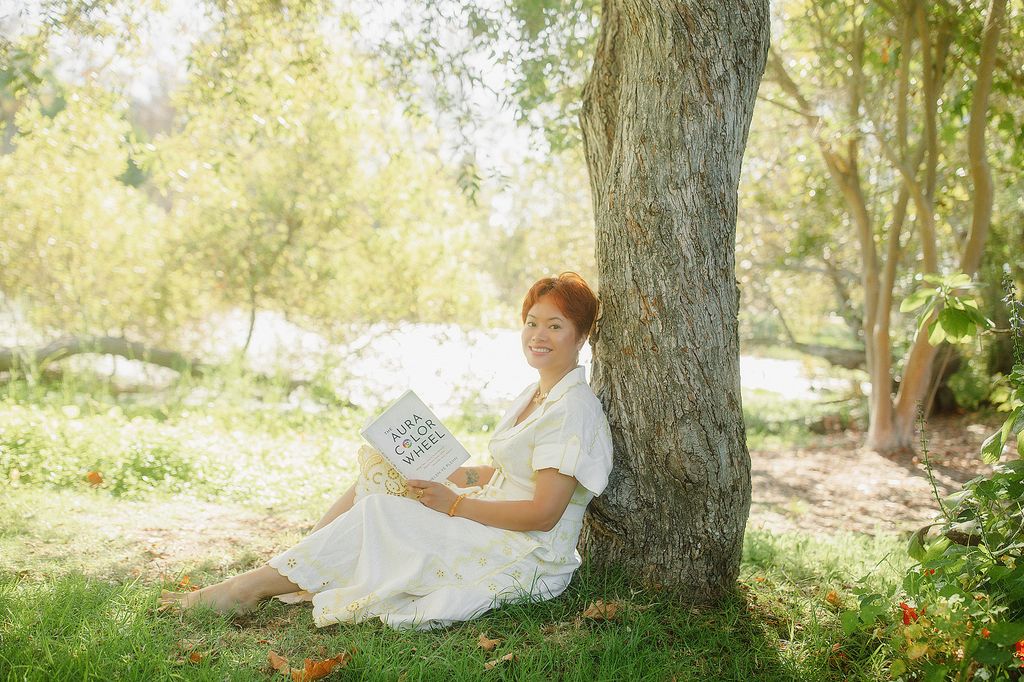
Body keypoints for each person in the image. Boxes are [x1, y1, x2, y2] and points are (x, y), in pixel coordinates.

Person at [159, 272, 613, 630]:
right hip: (489, 510)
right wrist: (450, 474)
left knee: (381, 512)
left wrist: (454, 505)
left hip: (525, 551)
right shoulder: (534, 395)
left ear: (581, 336)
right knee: (382, 469)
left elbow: (543, 513)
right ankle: (296, 567)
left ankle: (245, 590)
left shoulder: (572, 409)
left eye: (555, 325)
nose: (539, 334)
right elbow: (499, 473)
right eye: (532, 322)